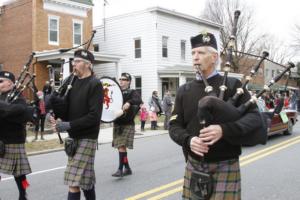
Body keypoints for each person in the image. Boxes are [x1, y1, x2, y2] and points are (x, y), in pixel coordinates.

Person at [169, 32, 261, 199]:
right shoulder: (184, 91)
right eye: (193, 53)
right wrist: (188, 140)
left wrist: (223, 130)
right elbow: (174, 126)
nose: (195, 57)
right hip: (195, 164)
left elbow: (254, 117)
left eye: (201, 53)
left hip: (226, 164)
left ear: (214, 57)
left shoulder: (233, 85)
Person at [49, 49, 103, 200]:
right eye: (73, 61)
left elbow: (94, 116)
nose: (74, 64)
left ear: (88, 65)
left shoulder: (95, 84)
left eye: (78, 61)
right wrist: (56, 114)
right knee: (85, 181)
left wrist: (68, 125)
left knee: (73, 181)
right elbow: (66, 110)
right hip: (74, 137)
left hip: (88, 137)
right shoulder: (71, 81)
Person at [0, 71, 33, 200]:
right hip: (1, 138)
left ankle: (23, 193)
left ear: (11, 83)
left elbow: (20, 111)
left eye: (1, 81)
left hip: (13, 140)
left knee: (19, 174)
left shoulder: (18, 97)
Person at [112, 72, 142, 177]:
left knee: (121, 146)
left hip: (127, 123)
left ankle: (120, 169)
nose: (121, 81)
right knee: (121, 147)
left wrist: (129, 102)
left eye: (124, 79)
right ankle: (127, 168)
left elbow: (139, 100)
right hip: (117, 123)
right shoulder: (116, 92)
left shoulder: (132, 92)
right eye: (120, 79)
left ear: (128, 82)